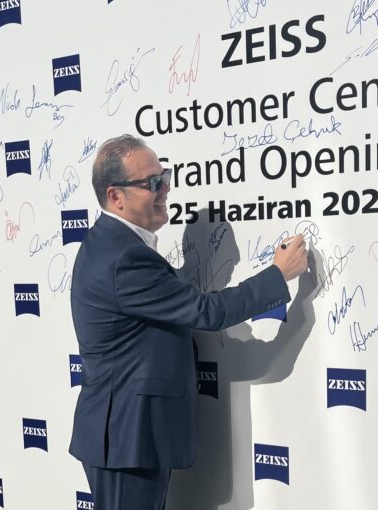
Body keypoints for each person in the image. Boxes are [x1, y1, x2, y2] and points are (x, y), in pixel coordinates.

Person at [69, 134, 308, 510]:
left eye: (164, 176)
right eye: (152, 182)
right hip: (126, 438)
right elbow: (207, 312)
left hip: (126, 435)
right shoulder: (125, 258)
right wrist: (278, 275)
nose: (165, 188)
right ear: (116, 196)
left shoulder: (111, 243)